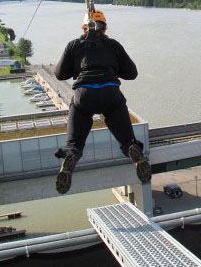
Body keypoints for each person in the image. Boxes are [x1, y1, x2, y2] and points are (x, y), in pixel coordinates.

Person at [53, 10, 151, 194]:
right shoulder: (113, 45)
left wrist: (77, 64)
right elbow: (132, 73)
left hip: (84, 95)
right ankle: (132, 148)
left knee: (74, 141)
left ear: (84, 29)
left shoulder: (74, 45)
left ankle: (71, 155)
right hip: (110, 94)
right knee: (126, 138)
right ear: (105, 29)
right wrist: (112, 66)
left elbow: (59, 74)